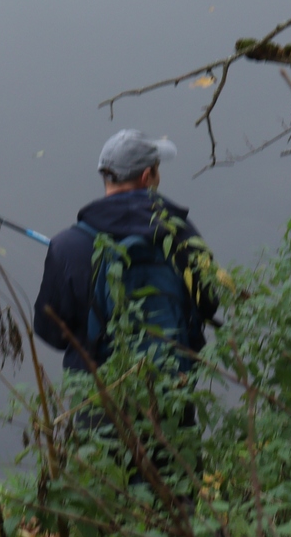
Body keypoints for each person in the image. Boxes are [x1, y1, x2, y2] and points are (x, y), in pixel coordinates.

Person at [33, 128, 219, 375]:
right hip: (172, 392)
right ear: (147, 176)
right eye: (157, 168)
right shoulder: (181, 234)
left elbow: (51, 332)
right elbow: (209, 303)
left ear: (105, 176)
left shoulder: (67, 246)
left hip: (99, 398)